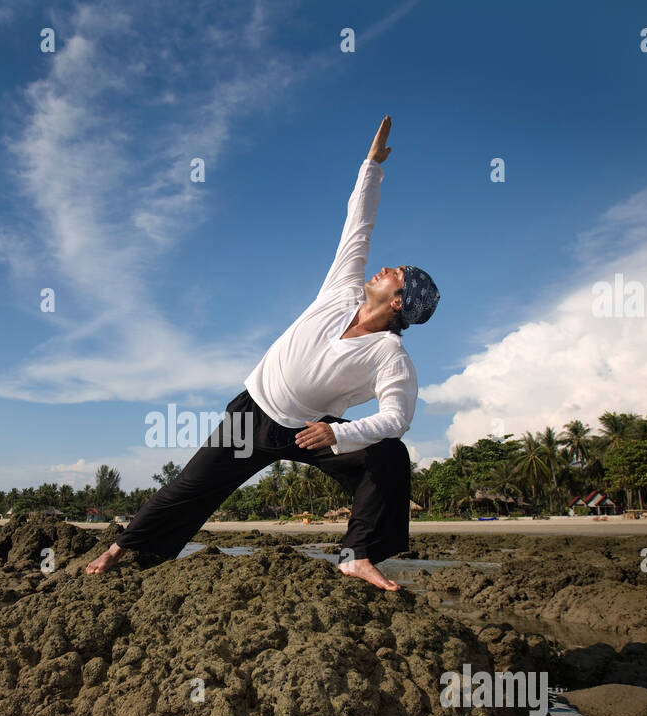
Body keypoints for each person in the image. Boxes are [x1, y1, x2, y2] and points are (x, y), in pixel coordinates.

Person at [86, 115, 440, 591]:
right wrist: (371, 165)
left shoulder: (391, 356)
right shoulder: (342, 290)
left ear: (399, 303)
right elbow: (359, 224)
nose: (382, 269)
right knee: (191, 487)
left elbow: (396, 418)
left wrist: (339, 436)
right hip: (253, 412)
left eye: (394, 274)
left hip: (310, 432)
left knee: (390, 457)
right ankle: (122, 548)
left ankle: (357, 557)